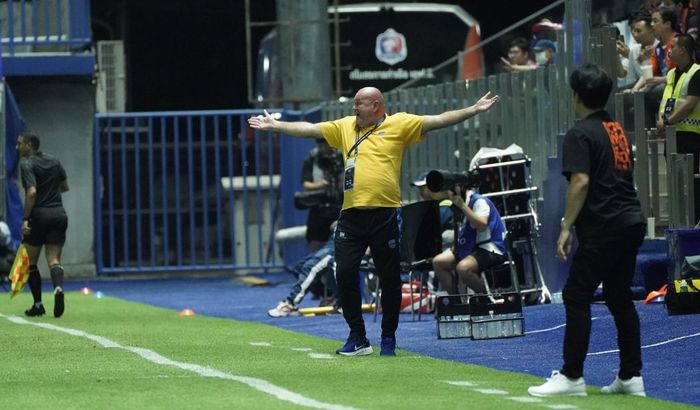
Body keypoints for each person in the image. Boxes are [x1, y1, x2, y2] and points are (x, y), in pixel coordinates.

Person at [248, 87, 499, 356]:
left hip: (385, 214)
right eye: (354, 104)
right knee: (343, 272)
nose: (354, 108)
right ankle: (358, 337)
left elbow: (439, 119)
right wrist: (276, 125)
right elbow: (310, 129)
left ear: (377, 105)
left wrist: (473, 110)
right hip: (351, 216)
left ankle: (388, 337)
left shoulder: (399, 123)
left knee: (389, 278)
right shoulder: (345, 126)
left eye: (359, 104)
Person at [528, 63, 647, 397]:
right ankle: (630, 377)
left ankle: (572, 376)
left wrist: (566, 227)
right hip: (630, 220)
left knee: (578, 294)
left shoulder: (580, 133)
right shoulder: (616, 129)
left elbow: (580, 181)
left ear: (575, 96)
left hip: (605, 225)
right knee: (619, 297)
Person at [16, 132, 70, 318]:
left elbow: (31, 192)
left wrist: (25, 219)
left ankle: (38, 304)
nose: (17, 147)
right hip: (58, 214)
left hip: (39, 216)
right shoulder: (54, 161)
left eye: (20, 144)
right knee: (53, 260)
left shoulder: (26, 163)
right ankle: (58, 288)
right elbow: (65, 187)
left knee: (31, 262)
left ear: (29, 145)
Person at [656, 33, 700, 222]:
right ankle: (679, 221)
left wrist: (667, 122)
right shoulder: (672, 73)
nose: (669, 50)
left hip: (690, 136)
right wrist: (661, 120)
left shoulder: (697, 73)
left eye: (672, 46)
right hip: (671, 136)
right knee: (675, 183)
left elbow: (690, 104)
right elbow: (666, 101)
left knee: (691, 183)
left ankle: (696, 221)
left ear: (683, 50)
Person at [431, 186, 507, 295]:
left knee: (463, 268)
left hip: (491, 247)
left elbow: (482, 225)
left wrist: (462, 206)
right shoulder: (455, 204)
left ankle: (485, 298)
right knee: (439, 262)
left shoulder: (478, 201)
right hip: (471, 246)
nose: (448, 194)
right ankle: (457, 302)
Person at [300, 138, 343, 251]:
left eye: (327, 145)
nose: (324, 149)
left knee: (342, 243)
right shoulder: (312, 158)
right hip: (319, 208)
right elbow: (306, 184)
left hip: (340, 206)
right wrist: (322, 184)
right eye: (321, 145)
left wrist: (340, 184)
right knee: (316, 243)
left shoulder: (341, 157)